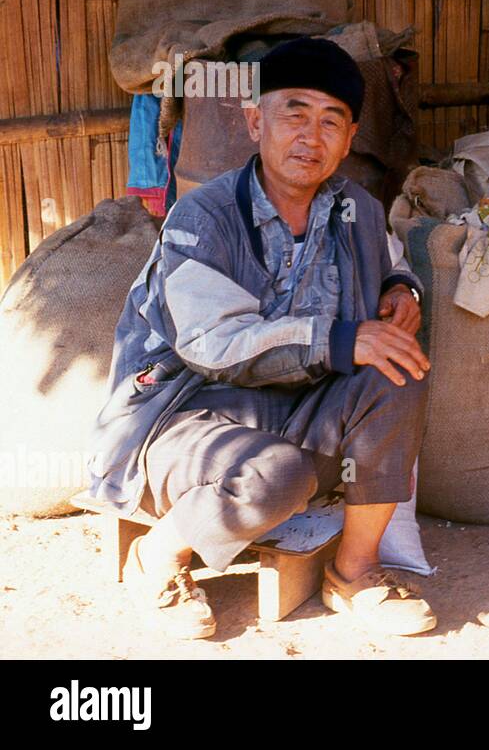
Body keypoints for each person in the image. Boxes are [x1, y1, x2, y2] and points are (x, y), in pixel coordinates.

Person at [88, 37, 437, 639]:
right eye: (294, 113)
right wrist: (337, 338)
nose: (312, 135)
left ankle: (354, 574)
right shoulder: (205, 217)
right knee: (276, 475)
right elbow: (211, 345)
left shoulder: (357, 210)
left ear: (350, 139)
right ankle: (159, 553)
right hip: (182, 420)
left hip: (296, 412)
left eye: (332, 121)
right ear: (255, 122)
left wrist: (403, 291)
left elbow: (392, 260)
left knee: (397, 370)